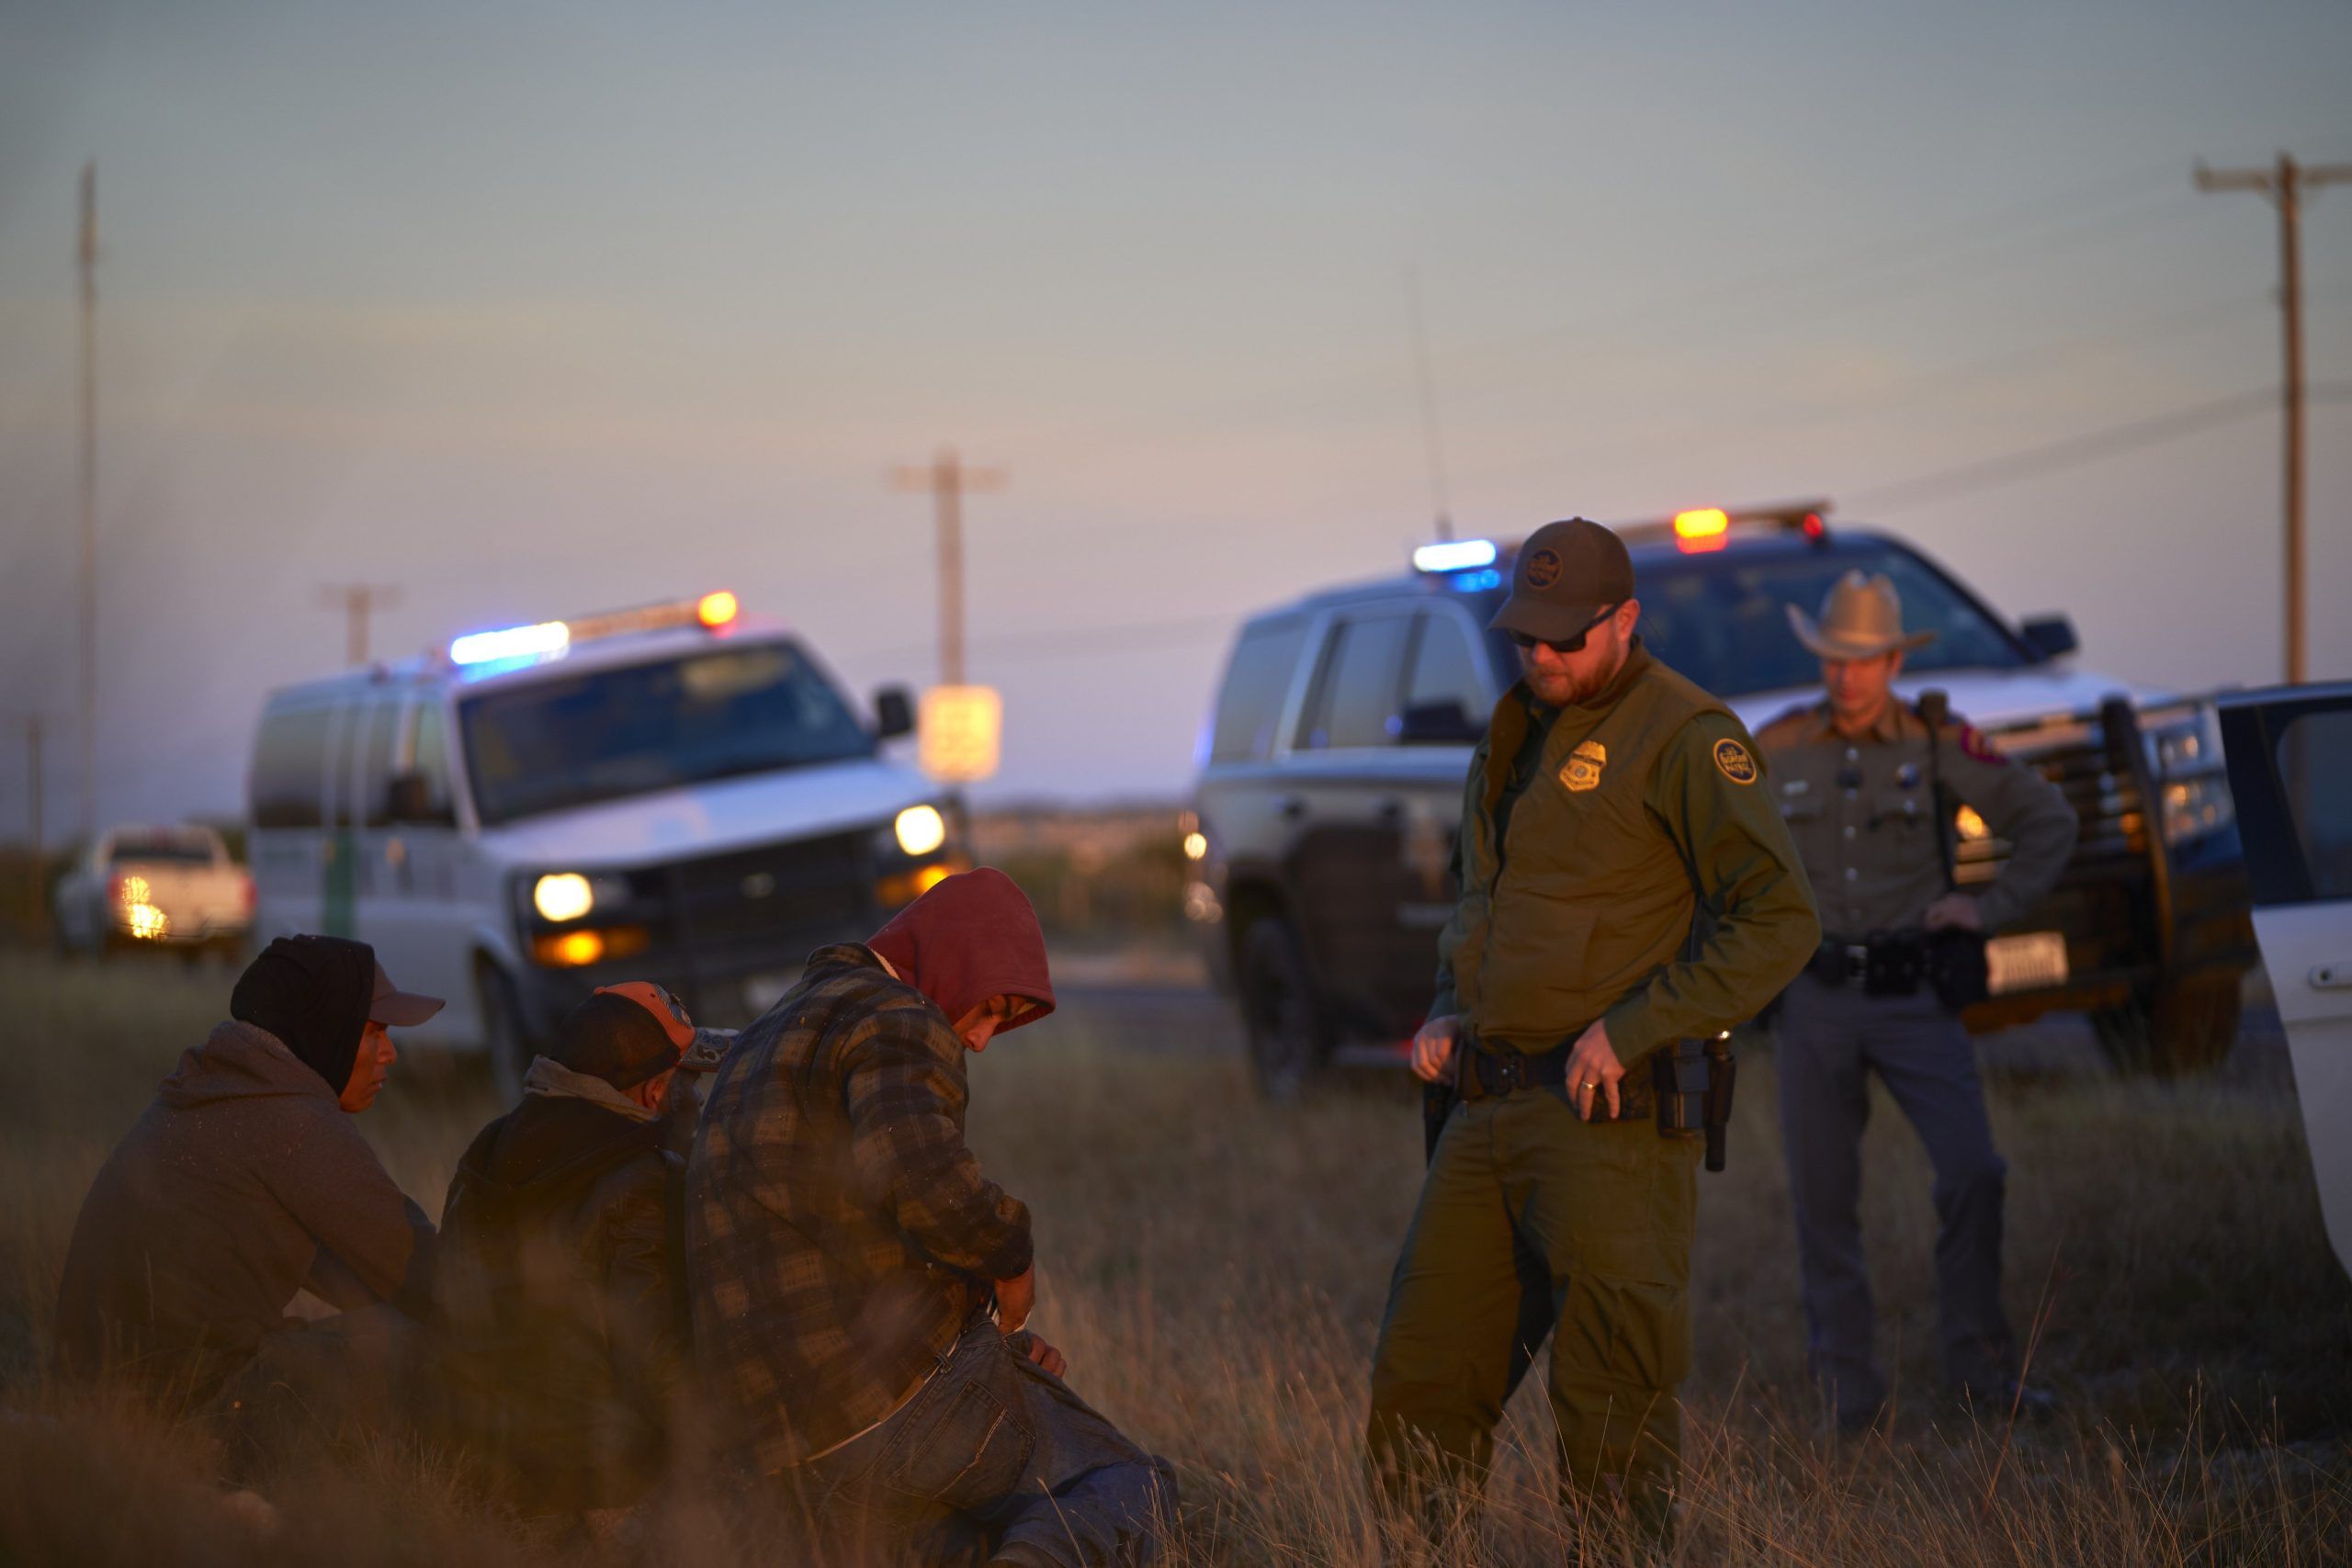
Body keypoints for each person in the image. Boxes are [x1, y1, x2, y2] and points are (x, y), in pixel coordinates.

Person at [1366, 518, 1819, 1547]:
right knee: (1420, 1381)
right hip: (1483, 1113)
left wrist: (1637, 1027)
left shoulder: (1687, 736)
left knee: (1610, 1408)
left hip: (1607, 1119)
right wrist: (1448, 1003)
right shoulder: (1513, 730)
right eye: (1528, 635)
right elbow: (1479, 898)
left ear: (1626, 621)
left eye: (1567, 637)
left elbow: (1781, 920)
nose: (1543, 655)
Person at [690, 867, 1173, 1567]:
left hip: (775, 1446)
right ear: (954, 957)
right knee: (1129, 1484)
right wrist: (1013, 1259)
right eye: (989, 1008)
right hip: (883, 1396)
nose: (980, 1039)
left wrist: (986, 1338)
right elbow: (922, 1179)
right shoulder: (896, 1014)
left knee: (961, 1537)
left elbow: (845, 1219)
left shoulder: (766, 1033)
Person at [1755, 570, 2078, 1432]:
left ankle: (1981, 1374)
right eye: (1833, 658)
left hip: (1914, 996)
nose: (1847, 676)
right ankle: (1848, 1395)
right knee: (1824, 1201)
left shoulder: (1939, 741)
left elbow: (2049, 822)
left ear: (1895, 657)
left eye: (1864, 660)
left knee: (1975, 1171)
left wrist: (1987, 908)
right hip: (1815, 998)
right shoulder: (1775, 744)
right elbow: (1716, 844)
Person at [52, 934, 441, 1410]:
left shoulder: (213, 1089)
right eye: (375, 1032)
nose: (389, 1054)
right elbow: (423, 1268)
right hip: (182, 1414)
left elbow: (353, 1265)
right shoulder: (294, 1120)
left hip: (95, 1400)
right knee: (420, 1349)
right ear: (327, 1030)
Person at [424, 981, 718, 1518]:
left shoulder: (489, 1146)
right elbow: (654, 1361)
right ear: (654, 1094)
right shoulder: (644, 1181)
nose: (698, 1099)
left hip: (476, 1451)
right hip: (595, 1475)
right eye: (689, 1079)